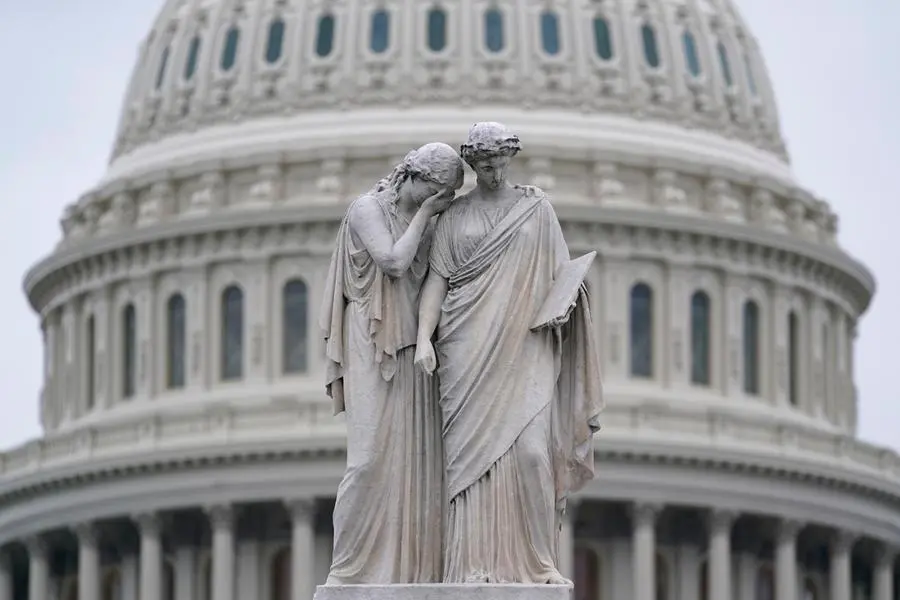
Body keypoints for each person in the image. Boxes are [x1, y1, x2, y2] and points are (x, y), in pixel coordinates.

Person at [415, 123, 603, 584]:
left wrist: (568, 302)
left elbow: (564, 275)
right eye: (484, 166)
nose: (494, 173)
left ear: (511, 160)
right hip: (466, 349)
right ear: (472, 166)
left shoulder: (536, 211)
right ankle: (471, 566)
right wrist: (422, 339)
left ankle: (538, 565)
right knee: (469, 467)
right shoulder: (455, 217)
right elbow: (437, 280)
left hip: (526, 344)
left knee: (533, 456)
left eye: (500, 164)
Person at [321, 142, 465, 584]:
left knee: (415, 465)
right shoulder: (368, 208)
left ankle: (412, 573)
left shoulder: (435, 220)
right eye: (436, 192)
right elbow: (394, 262)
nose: (438, 203)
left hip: (414, 350)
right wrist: (428, 214)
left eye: (445, 197)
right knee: (366, 462)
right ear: (413, 177)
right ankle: (349, 573)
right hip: (371, 339)